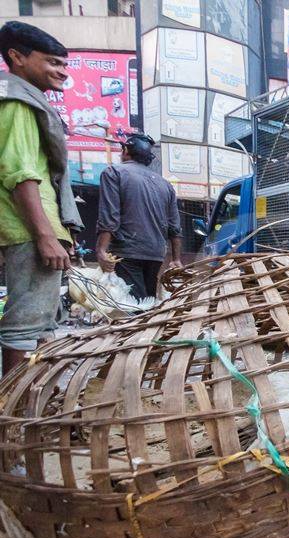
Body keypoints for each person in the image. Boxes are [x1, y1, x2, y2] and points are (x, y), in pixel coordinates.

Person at [0, 22, 83, 376]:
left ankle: (35, 398)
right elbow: (20, 175)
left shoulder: (28, 98)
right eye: (52, 62)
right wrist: (45, 235)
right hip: (29, 230)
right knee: (26, 323)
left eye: (64, 65)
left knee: (44, 321)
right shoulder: (17, 103)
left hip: (36, 229)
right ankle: (15, 414)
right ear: (16, 57)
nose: (61, 72)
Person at [95, 133, 182, 300]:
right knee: (147, 301)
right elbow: (175, 227)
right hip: (156, 254)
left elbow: (110, 217)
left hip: (127, 251)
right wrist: (176, 259)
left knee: (133, 306)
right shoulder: (165, 184)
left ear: (126, 150)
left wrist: (101, 250)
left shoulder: (114, 173)